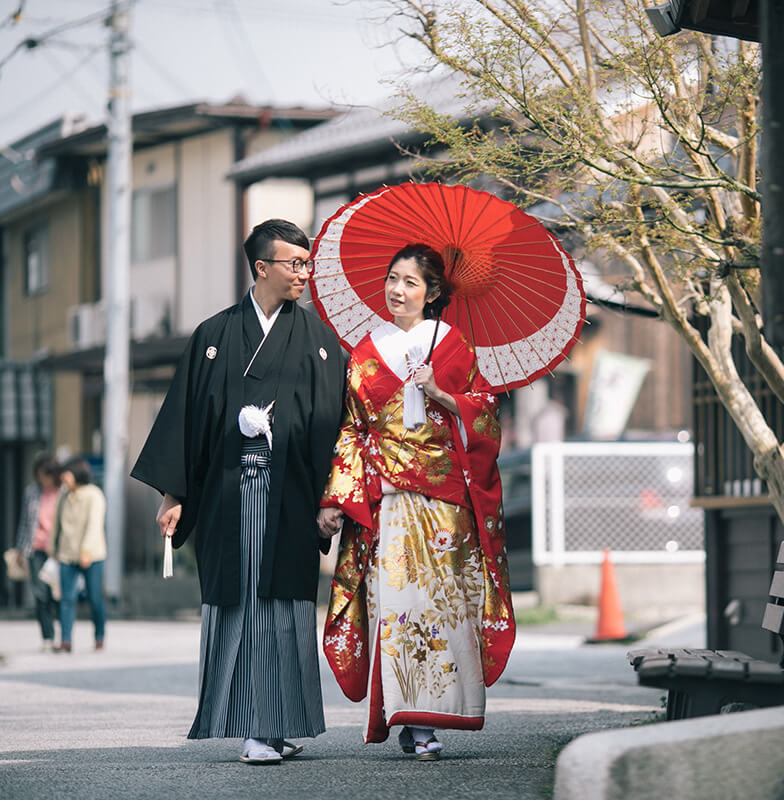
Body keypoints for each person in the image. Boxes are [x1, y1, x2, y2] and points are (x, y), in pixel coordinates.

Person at [130, 219, 348, 765]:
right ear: (261, 268)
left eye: (307, 263)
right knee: (244, 601)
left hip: (293, 494)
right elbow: (187, 420)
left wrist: (332, 497)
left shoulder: (321, 342)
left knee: (286, 606)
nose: (304, 273)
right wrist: (174, 493)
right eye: (294, 263)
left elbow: (337, 425)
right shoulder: (214, 335)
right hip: (231, 493)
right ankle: (256, 726)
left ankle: (281, 721)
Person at [319, 243, 514, 761]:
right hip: (385, 499)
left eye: (409, 282)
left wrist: (444, 394)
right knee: (394, 608)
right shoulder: (364, 352)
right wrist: (338, 496)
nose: (396, 289)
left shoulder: (453, 346)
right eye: (391, 278)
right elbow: (353, 429)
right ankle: (409, 719)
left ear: (432, 294)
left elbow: (486, 416)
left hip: (444, 502)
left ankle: (434, 714)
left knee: (442, 607)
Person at [47, 456, 106, 653]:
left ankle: (99, 636)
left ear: (77, 474)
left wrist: (86, 551)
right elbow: (56, 524)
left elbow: (94, 525)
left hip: (92, 555)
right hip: (66, 553)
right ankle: (65, 640)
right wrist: (52, 548)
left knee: (94, 598)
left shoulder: (94, 495)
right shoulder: (63, 496)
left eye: (66, 473)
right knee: (66, 598)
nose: (63, 477)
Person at [14, 454, 61, 651]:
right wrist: (20, 548)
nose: (43, 480)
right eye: (40, 475)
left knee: (56, 594)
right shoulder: (32, 492)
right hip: (36, 549)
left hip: (58, 551)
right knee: (40, 594)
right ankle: (47, 637)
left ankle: (64, 635)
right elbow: (25, 522)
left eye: (46, 475)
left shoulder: (63, 492)